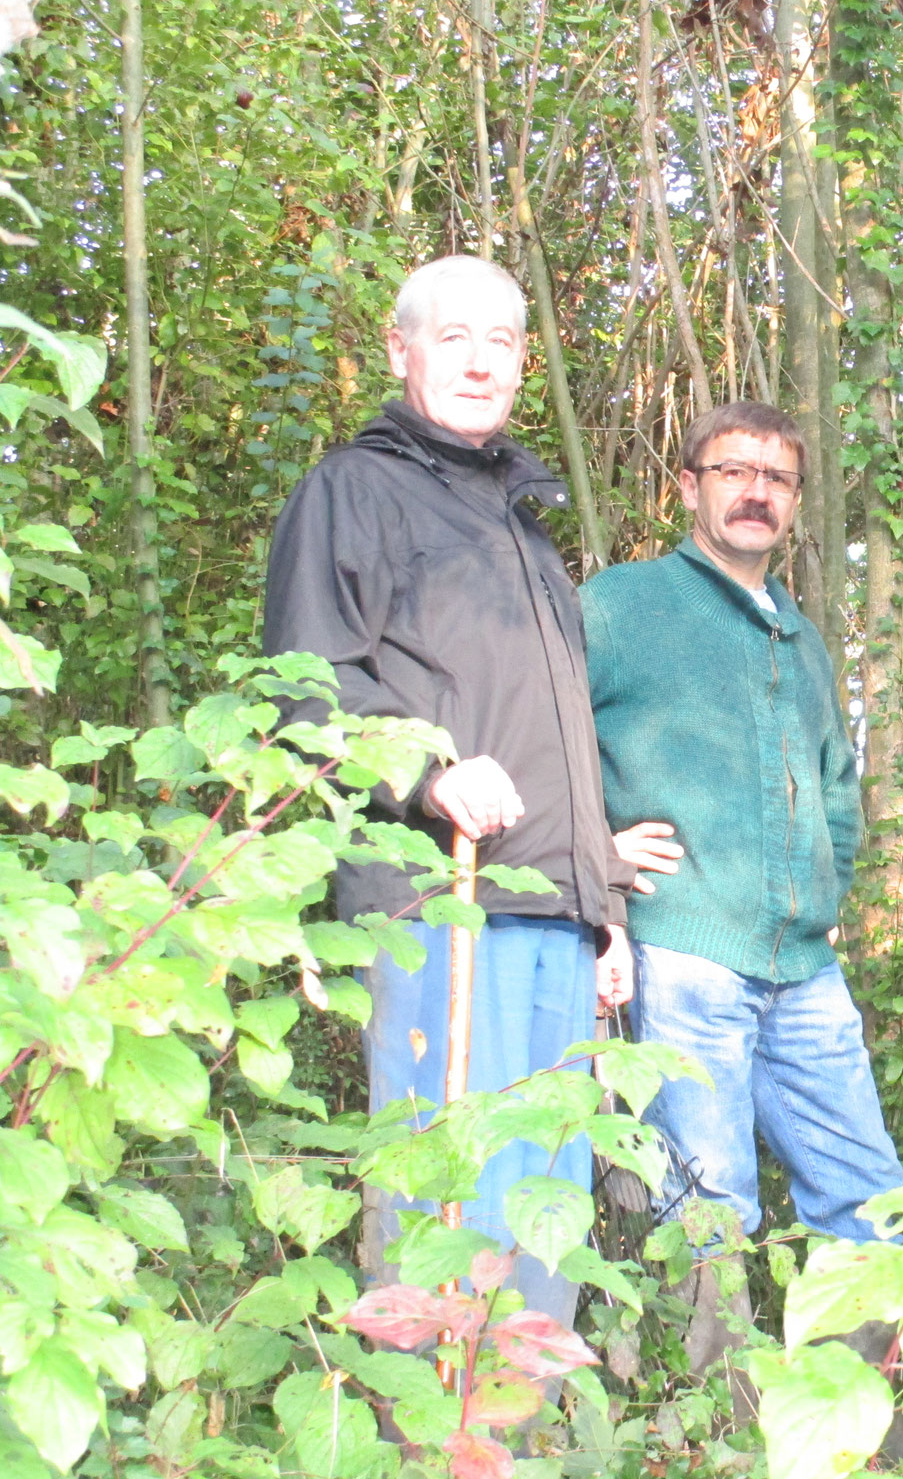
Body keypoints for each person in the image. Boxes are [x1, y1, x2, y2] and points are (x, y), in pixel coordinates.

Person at [263, 254, 639, 1327]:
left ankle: (509, 1438)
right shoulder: (354, 491)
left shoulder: (523, 532)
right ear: (401, 351)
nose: (481, 362)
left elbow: (560, 737)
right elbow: (306, 680)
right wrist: (426, 774)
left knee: (545, 1195)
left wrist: (602, 909)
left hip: (554, 921)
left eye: (503, 343)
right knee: (444, 1187)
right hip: (443, 901)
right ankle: (424, 1434)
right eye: (453, 338)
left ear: (525, 363)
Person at [579, 400, 903, 1352]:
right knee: (709, 1208)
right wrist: (595, 852)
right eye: (734, 471)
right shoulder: (622, 604)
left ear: (796, 500)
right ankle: (719, 1424)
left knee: (868, 1191)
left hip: (804, 969)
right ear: (689, 485)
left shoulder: (800, 639)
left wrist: (824, 892)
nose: (756, 491)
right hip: (684, 951)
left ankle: (867, 1417)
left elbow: (836, 785)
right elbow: (539, 735)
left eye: (776, 477)